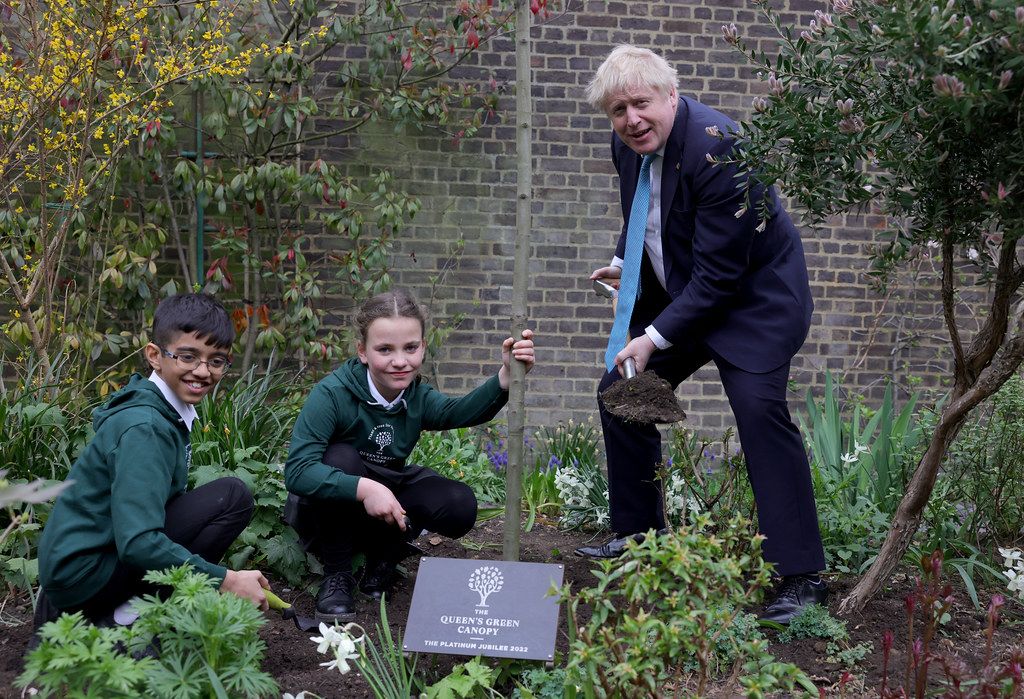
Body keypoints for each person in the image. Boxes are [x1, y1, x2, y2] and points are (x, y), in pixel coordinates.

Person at [575, 45, 827, 624]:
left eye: (640, 104)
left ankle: (801, 578)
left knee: (759, 412)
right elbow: (645, 214)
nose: (631, 120)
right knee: (622, 393)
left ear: (671, 95)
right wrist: (624, 260)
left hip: (753, 301)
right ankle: (640, 540)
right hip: (690, 291)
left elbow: (722, 277)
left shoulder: (721, 146)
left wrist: (654, 336)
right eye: (617, 110)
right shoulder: (628, 145)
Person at [284, 288, 536, 622]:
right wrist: (366, 488)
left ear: (422, 347)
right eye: (385, 349)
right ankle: (337, 575)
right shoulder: (332, 394)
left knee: (458, 503)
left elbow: (457, 412)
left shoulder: (415, 396)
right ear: (362, 351)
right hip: (329, 514)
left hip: (386, 502)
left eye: (410, 348)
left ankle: (384, 557)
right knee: (340, 459)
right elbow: (298, 472)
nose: (400, 361)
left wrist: (505, 377)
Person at [36, 293, 270, 633]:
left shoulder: (162, 410)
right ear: (155, 356)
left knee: (229, 497)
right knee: (231, 499)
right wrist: (226, 579)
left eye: (216, 361)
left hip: (85, 561)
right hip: (83, 575)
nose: (203, 371)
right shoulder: (145, 428)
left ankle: (113, 606)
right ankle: (120, 621)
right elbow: (138, 542)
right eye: (188, 356)